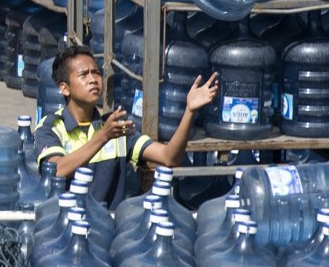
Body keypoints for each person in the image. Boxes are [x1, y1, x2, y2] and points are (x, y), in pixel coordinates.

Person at [33, 44, 219, 208]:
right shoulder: (52, 127)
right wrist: (102, 137)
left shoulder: (116, 128)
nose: (93, 79)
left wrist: (190, 111)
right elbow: (57, 171)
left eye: (96, 72)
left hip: (109, 229)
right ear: (64, 88)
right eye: (83, 74)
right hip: (67, 230)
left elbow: (170, 157)